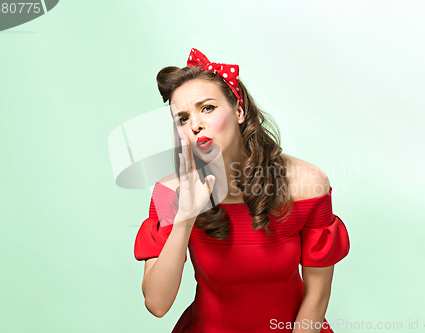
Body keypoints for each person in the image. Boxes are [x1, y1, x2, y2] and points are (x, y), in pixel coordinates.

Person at [134, 48, 350, 333]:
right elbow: (157, 304)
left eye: (207, 108)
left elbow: (317, 296)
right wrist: (185, 217)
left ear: (238, 110)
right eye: (183, 118)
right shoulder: (168, 191)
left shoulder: (307, 183)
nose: (196, 125)